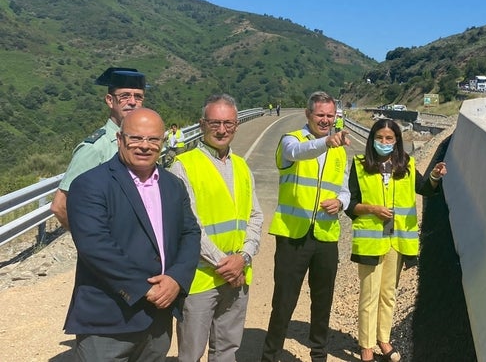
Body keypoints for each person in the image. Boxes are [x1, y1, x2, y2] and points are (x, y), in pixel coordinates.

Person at [64, 108, 201, 361]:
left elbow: (190, 233)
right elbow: (94, 246)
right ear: (120, 139)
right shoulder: (90, 184)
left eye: (153, 139)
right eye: (136, 138)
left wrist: (176, 279)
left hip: (158, 321)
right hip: (108, 321)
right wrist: (143, 288)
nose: (144, 146)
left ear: (163, 141)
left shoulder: (172, 184)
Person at [171, 94, 264, 362]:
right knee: (191, 353)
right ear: (202, 124)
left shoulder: (242, 166)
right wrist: (226, 264)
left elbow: (255, 216)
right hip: (201, 277)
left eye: (228, 123)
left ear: (236, 125)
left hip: (238, 273)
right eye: (214, 123)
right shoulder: (184, 166)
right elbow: (189, 225)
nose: (222, 130)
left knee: (227, 349)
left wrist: (244, 257)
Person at [261, 91, 351, 362]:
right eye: (320, 115)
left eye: (330, 116)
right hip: (293, 235)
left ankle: (319, 354)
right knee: (284, 301)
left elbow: (345, 189)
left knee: (323, 301)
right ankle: (270, 355)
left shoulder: (339, 152)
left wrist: (341, 203)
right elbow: (298, 154)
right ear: (308, 114)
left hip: (325, 235)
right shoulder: (292, 140)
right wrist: (326, 142)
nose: (325, 120)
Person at [346, 118, 446, 362]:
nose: (384, 142)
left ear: (397, 141)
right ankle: (366, 345)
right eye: (379, 138)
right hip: (371, 242)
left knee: (388, 293)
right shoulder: (360, 165)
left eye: (389, 138)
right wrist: (372, 209)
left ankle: (383, 339)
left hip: (397, 242)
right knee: (369, 294)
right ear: (372, 140)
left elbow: (426, 188)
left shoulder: (407, 165)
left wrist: (434, 175)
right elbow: (349, 205)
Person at [51, 67, 147, 230]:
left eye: (138, 97)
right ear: (110, 100)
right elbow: (60, 205)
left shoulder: (144, 144)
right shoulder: (96, 148)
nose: (132, 102)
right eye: (124, 96)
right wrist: (90, 243)